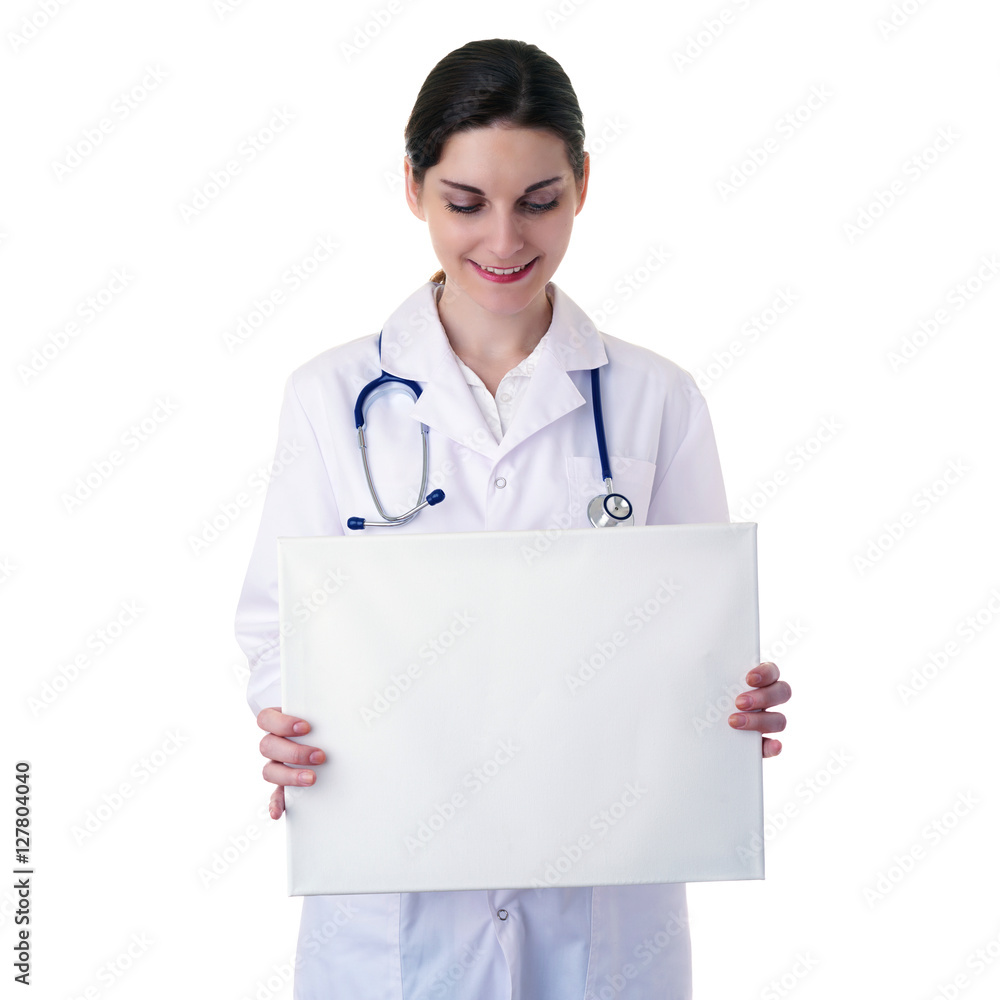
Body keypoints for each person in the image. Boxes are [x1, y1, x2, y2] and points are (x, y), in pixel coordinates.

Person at [234, 37, 791, 1000]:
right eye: (466, 203)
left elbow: (700, 631)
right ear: (412, 186)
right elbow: (275, 629)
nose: (503, 240)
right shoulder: (330, 397)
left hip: (606, 915)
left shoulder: (657, 400)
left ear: (582, 184)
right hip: (393, 912)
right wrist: (286, 721)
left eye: (540, 200)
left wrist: (731, 700)